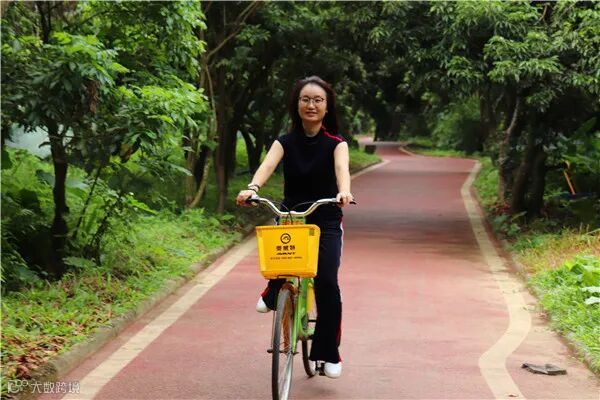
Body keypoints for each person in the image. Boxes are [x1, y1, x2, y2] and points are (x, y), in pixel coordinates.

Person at [236, 76, 353, 379]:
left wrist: (344, 192)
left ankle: (328, 353)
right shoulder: (285, 142)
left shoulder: (336, 144)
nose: (311, 105)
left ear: (327, 107)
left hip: (326, 219)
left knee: (326, 281)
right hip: (292, 215)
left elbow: (342, 170)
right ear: (297, 104)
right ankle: (274, 290)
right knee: (281, 262)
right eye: (305, 99)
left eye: (318, 100)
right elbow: (266, 166)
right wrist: (252, 188)